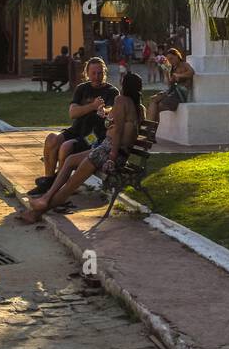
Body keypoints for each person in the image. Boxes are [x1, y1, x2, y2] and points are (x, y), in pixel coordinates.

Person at [22, 72, 145, 221]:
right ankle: (46, 197)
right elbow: (122, 127)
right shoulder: (138, 108)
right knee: (70, 160)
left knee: (69, 187)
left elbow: (118, 132)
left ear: (125, 85)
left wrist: (111, 158)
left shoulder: (121, 100)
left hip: (109, 152)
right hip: (112, 151)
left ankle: (38, 211)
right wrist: (107, 116)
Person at [32, 58, 118, 194]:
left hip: (93, 136)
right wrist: (92, 106)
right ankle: (49, 180)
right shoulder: (82, 89)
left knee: (65, 147)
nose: (97, 77)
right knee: (51, 139)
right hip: (76, 130)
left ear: (104, 73)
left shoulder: (111, 92)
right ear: (87, 73)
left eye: (100, 73)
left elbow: (111, 109)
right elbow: (73, 113)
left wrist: (104, 110)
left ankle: (57, 186)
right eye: (94, 73)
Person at [147, 49, 194, 124]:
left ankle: (153, 127)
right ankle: (149, 125)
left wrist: (179, 75)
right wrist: (166, 73)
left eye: (172, 58)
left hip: (180, 93)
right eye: (168, 59)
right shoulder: (172, 68)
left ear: (177, 56)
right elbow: (169, 84)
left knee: (160, 105)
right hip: (172, 91)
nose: (170, 61)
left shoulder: (184, 65)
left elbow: (191, 72)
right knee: (152, 100)